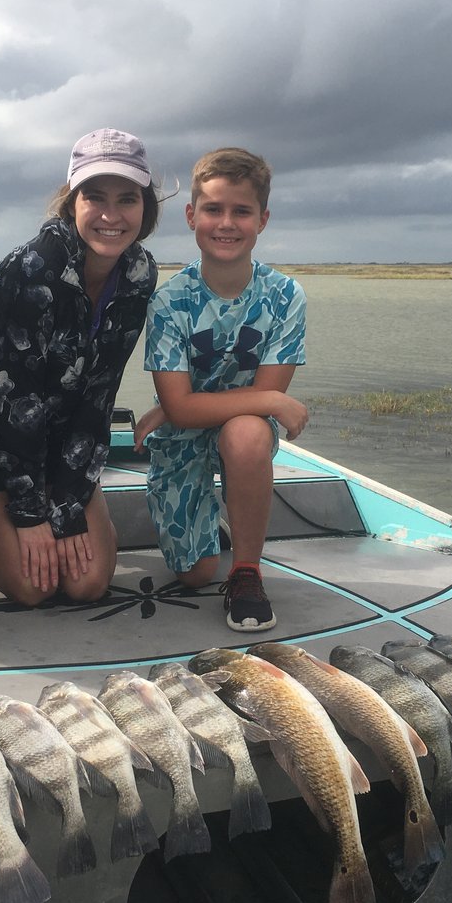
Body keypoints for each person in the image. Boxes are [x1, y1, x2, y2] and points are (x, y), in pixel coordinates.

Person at [0, 128, 161, 606]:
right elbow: (17, 405)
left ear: (146, 207)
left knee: (86, 584)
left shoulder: (139, 273)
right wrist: (32, 515)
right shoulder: (33, 269)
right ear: (71, 201)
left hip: (59, 443)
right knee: (34, 590)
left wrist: (70, 503)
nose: (111, 215)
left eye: (127, 199)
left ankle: (6, 524)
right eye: (94, 197)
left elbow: (100, 393)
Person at [136, 147, 307, 632]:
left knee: (249, 433)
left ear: (263, 219)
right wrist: (270, 401)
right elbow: (184, 406)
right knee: (193, 575)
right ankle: (219, 524)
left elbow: (253, 403)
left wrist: (186, 406)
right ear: (192, 215)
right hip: (184, 431)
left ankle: (248, 572)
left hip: (235, 429)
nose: (226, 222)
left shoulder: (285, 296)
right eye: (213, 209)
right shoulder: (169, 302)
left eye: (241, 211)